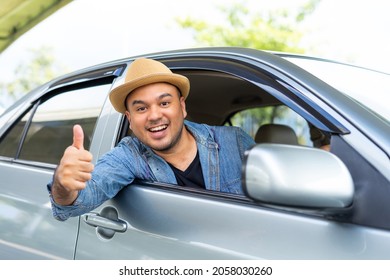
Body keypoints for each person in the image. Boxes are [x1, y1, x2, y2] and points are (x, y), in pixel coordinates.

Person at [47, 58, 255, 221]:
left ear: (182, 107)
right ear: (129, 119)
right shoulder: (128, 156)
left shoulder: (234, 142)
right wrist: (63, 185)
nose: (154, 115)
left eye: (164, 103)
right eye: (141, 108)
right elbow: (71, 206)